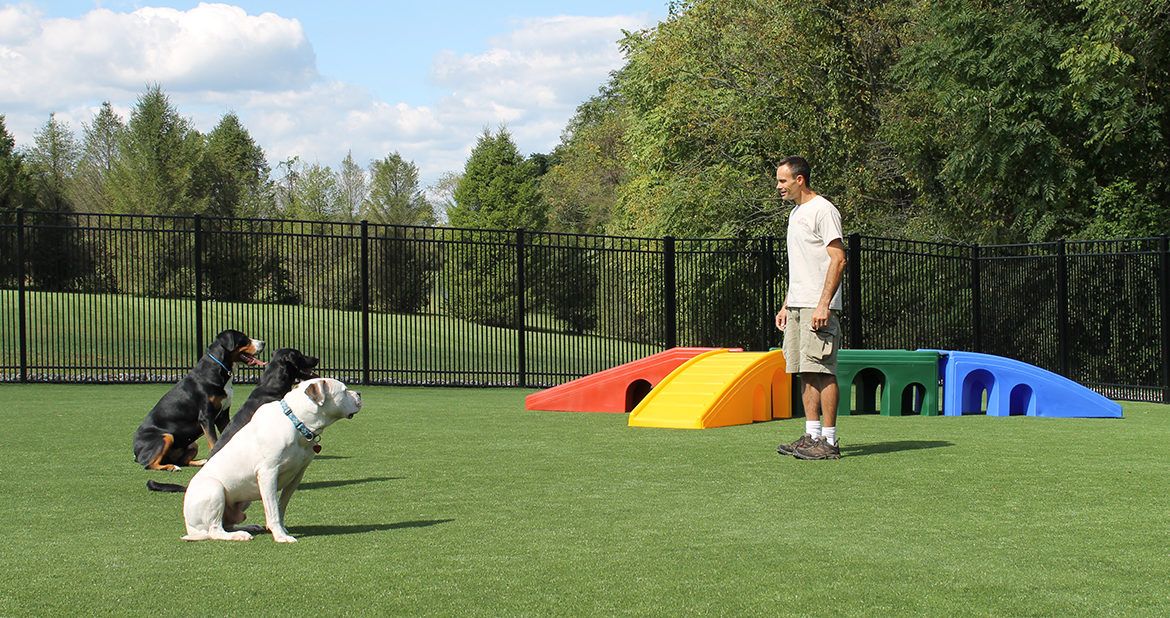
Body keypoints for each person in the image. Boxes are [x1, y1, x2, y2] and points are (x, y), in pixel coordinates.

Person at [773, 156, 847, 460]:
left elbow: (838, 259)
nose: (779, 186)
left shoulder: (823, 210)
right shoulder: (795, 213)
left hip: (818, 307)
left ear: (799, 180)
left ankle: (829, 441)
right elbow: (801, 267)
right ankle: (812, 436)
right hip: (798, 306)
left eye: (783, 181)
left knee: (823, 370)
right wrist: (786, 305)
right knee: (806, 370)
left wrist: (823, 305)